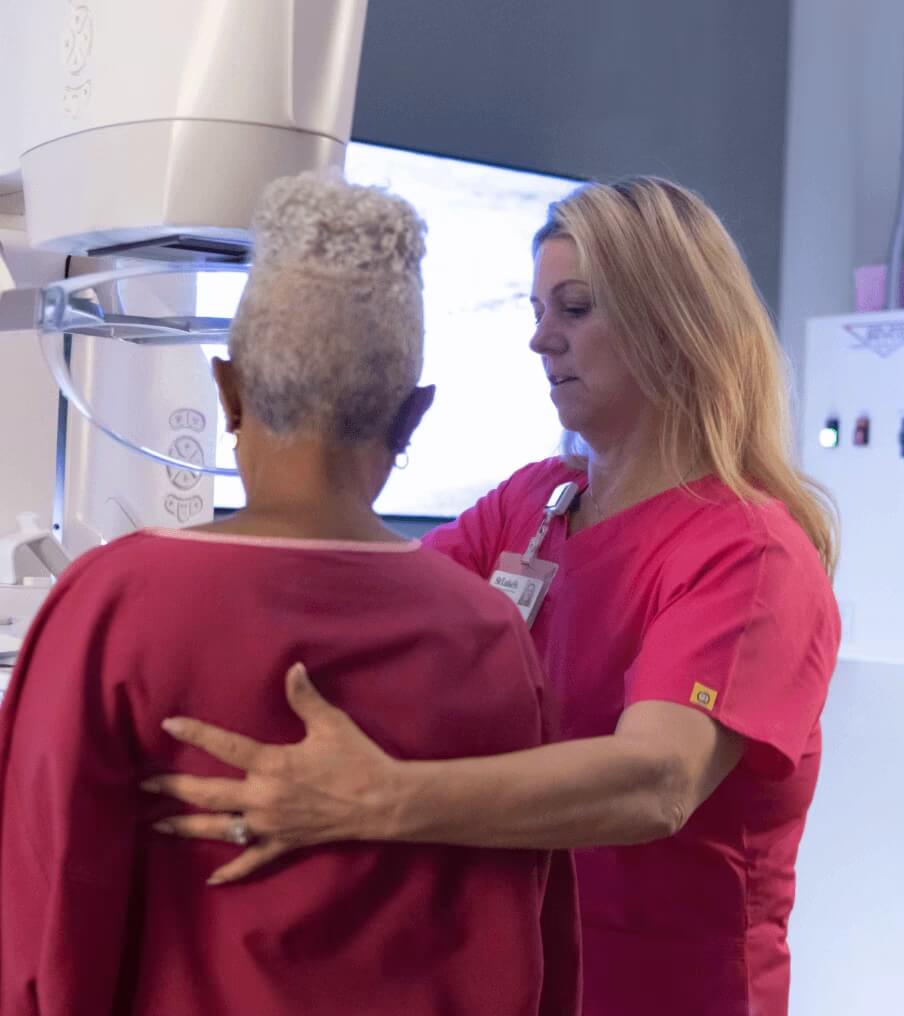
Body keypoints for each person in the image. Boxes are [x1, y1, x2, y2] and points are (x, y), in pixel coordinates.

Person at [144, 177, 841, 1016]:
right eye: (539, 310)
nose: (541, 340)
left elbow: (655, 781)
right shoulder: (535, 504)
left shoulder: (750, 554)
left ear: (674, 321)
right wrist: (168, 595)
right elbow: (366, 617)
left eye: (575, 309)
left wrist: (376, 798)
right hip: (519, 978)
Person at [0, 174, 580, 1016]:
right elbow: (530, 947)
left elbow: (37, 928)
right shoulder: (490, 634)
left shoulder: (112, 607)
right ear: (412, 417)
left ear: (228, 392)